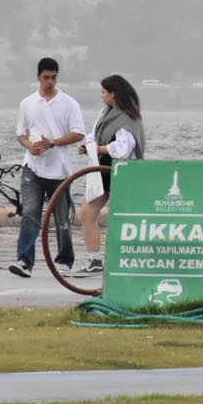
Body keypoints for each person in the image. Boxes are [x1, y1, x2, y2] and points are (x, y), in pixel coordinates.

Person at [8, 57, 88, 278]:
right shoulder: (27, 103)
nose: (50, 82)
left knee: (62, 217)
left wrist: (52, 142)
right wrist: (30, 146)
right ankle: (24, 261)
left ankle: (64, 260)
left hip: (59, 169)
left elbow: (78, 132)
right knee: (30, 214)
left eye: (53, 77)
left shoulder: (69, 103)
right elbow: (21, 134)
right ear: (38, 77)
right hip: (32, 166)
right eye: (46, 77)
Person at [79, 73, 146, 274]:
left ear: (113, 94)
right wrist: (88, 145)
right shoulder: (105, 113)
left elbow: (124, 148)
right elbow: (95, 134)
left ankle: (130, 258)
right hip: (103, 168)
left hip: (120, 170)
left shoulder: (127, 117)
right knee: (86, 212)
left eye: (103, 92)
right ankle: (94, 259)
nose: (101, 96)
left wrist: (98, 149)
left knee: (124, 217)